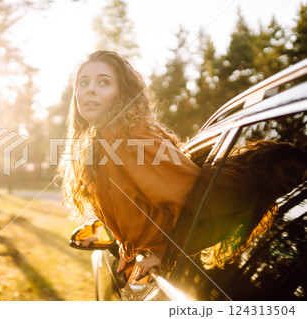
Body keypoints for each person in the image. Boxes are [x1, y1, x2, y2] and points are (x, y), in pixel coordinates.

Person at [57, 50, 200, 280]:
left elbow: (199, 200)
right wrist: (129, 246)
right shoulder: (100, 140)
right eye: (83, 82)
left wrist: (167, 253)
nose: (90, 89)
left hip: (188, 273)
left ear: (122, 93)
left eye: (104, 82)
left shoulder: (131, 138)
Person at [164, 140, 307, 271]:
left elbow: (191, 235)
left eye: (297, 181)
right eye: (288, 171)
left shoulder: (252, 203)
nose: (292, 184)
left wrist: (165, 255)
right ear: (269, 163)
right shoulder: (240, 189)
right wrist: (165, 254)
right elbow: (186, 217)